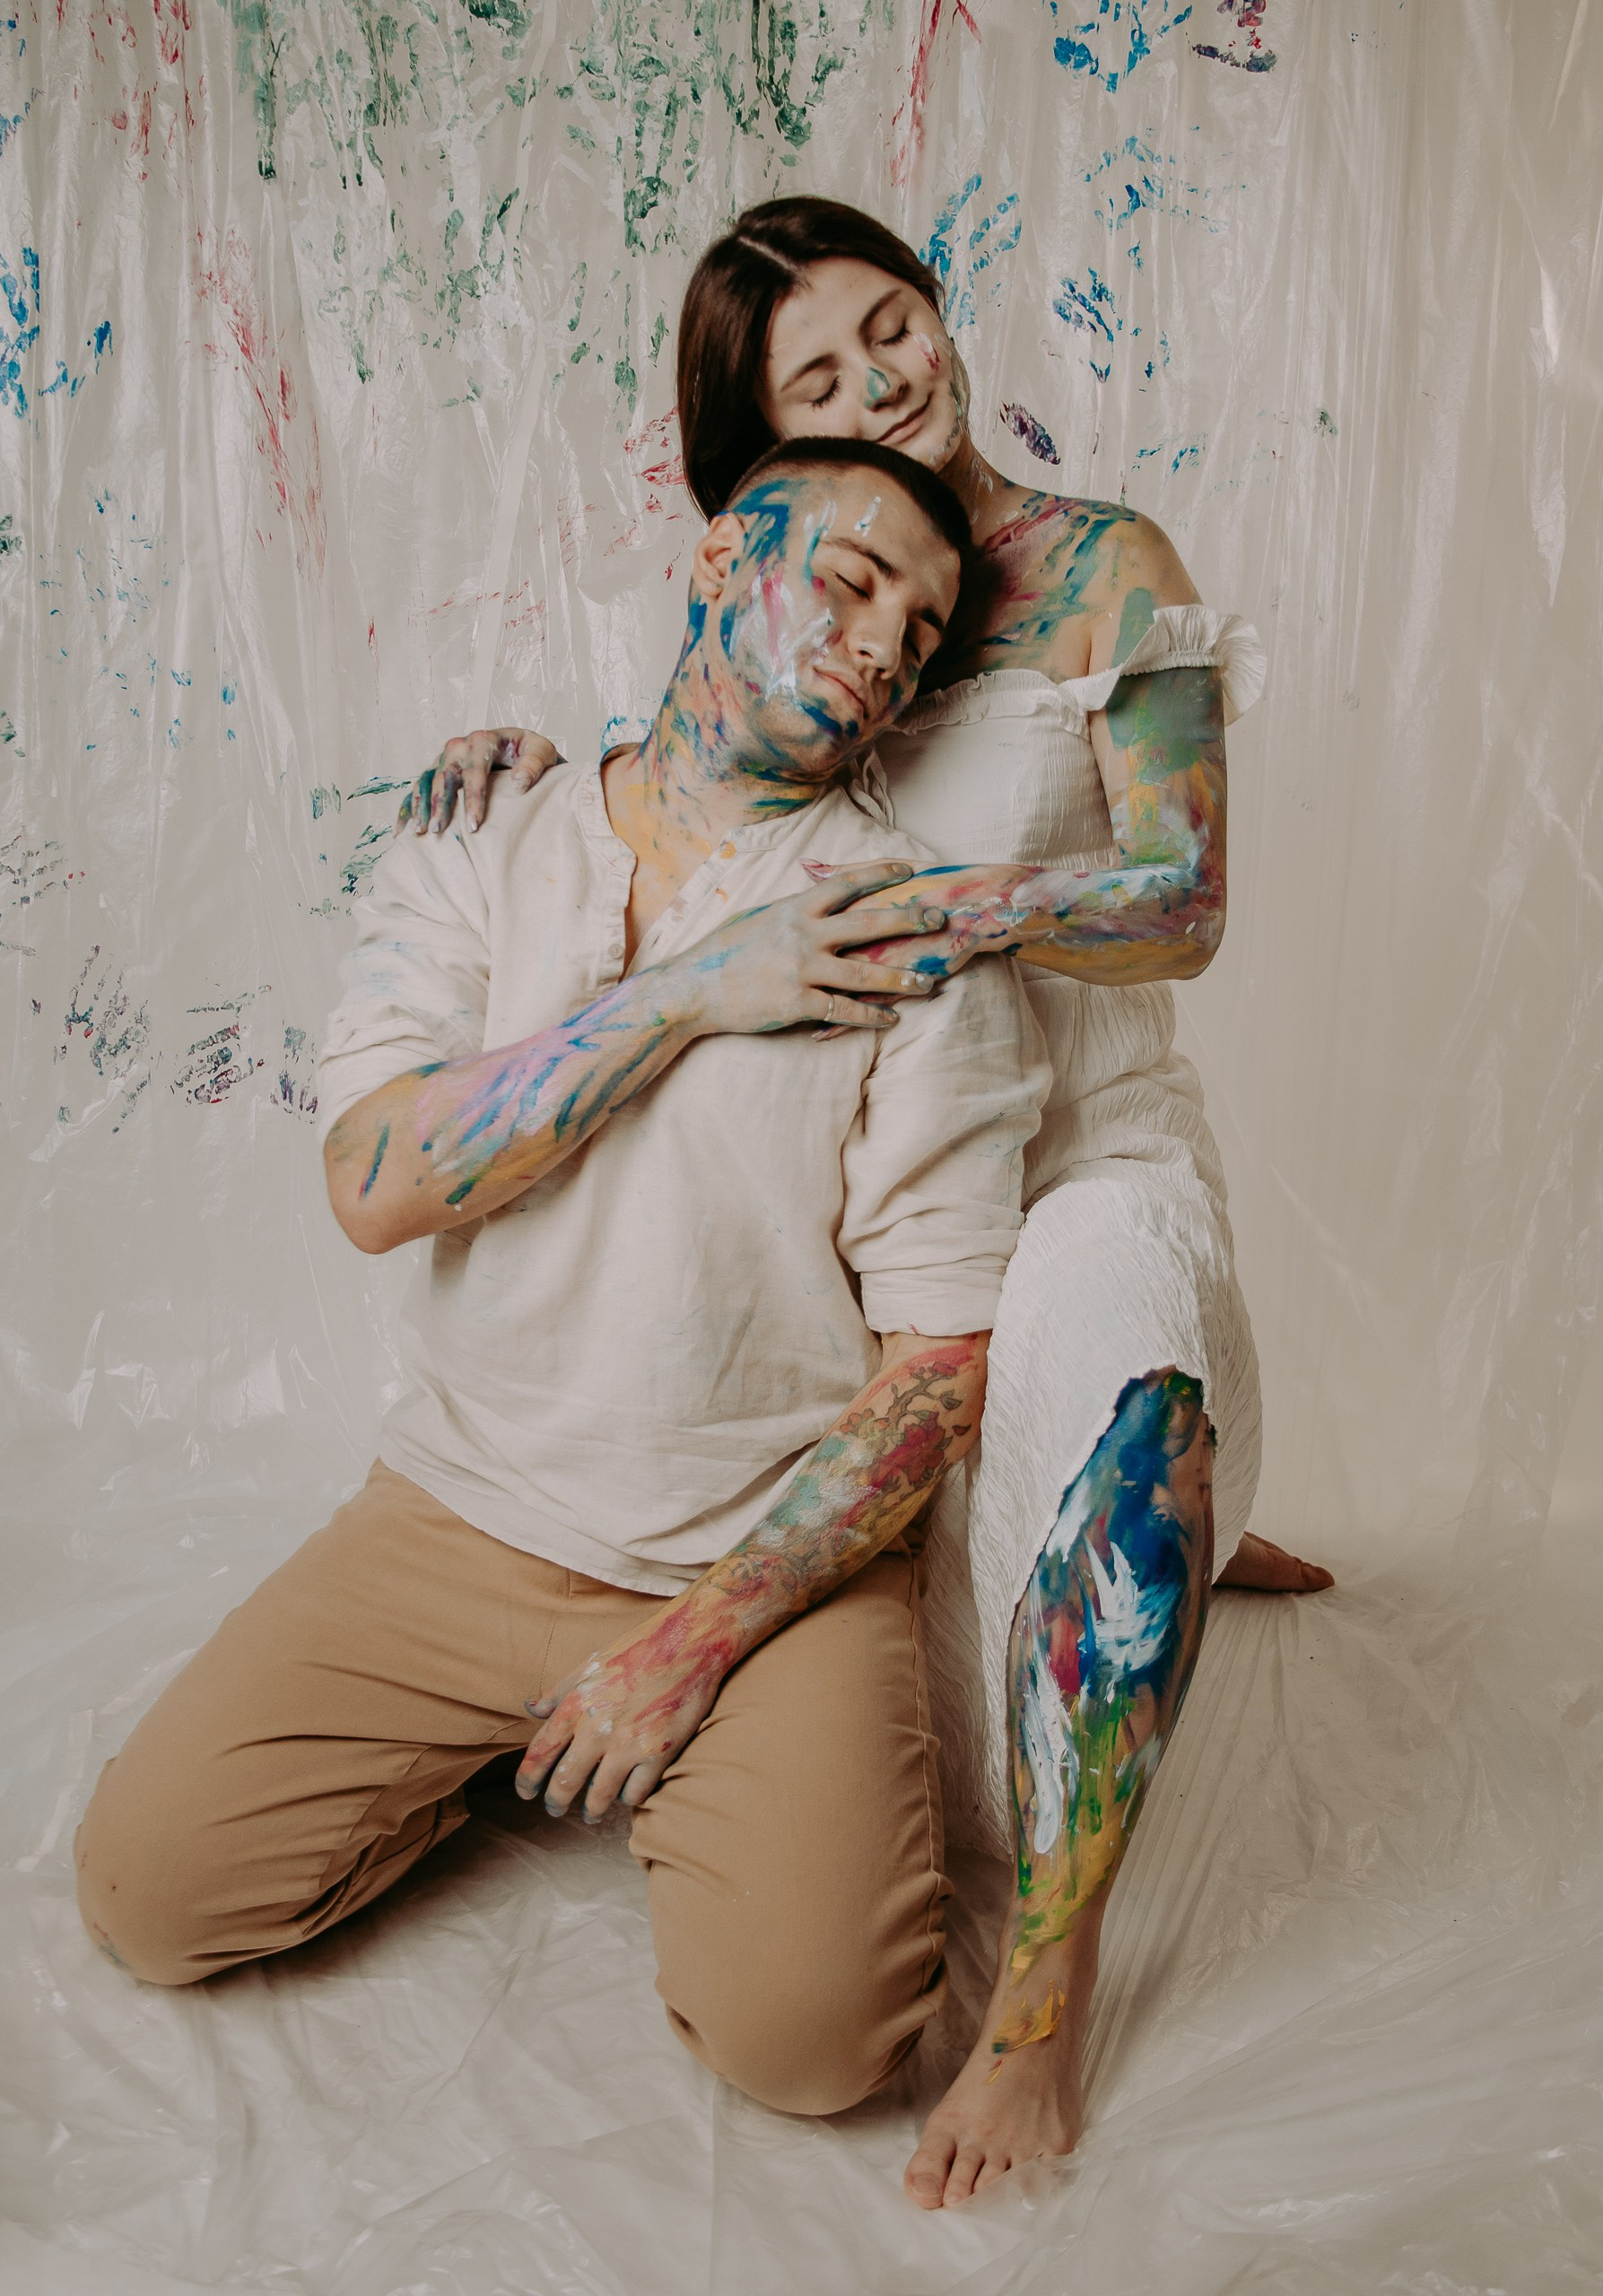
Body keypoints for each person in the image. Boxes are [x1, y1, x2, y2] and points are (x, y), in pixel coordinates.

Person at [401, 197, 1336, 2209]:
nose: (883, 383)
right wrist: (534, 763)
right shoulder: (827, 591)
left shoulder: (1105, 567)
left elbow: (1183, 902)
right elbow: (711, 780)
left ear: (937, 311)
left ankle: (1042, 2018)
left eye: (890, 326)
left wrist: (951, 906)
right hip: (869, 1198)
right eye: (816, 381)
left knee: (1119, 1425)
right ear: (759, 466)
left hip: (1079, 1153)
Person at [74, 441, 1053, 2126]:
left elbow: (940, 1364)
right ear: (716, 563)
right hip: (464, 1510)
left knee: (815, 2047)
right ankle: (480, 1757)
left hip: (761, 1563)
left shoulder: (910, 932)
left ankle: (639, 1734)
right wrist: (687, 994)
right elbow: (375, 1182)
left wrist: (697, 1646)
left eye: (920, 628)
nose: (885, 647)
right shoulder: (485, 840)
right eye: (849, 581)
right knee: (146, 1899)